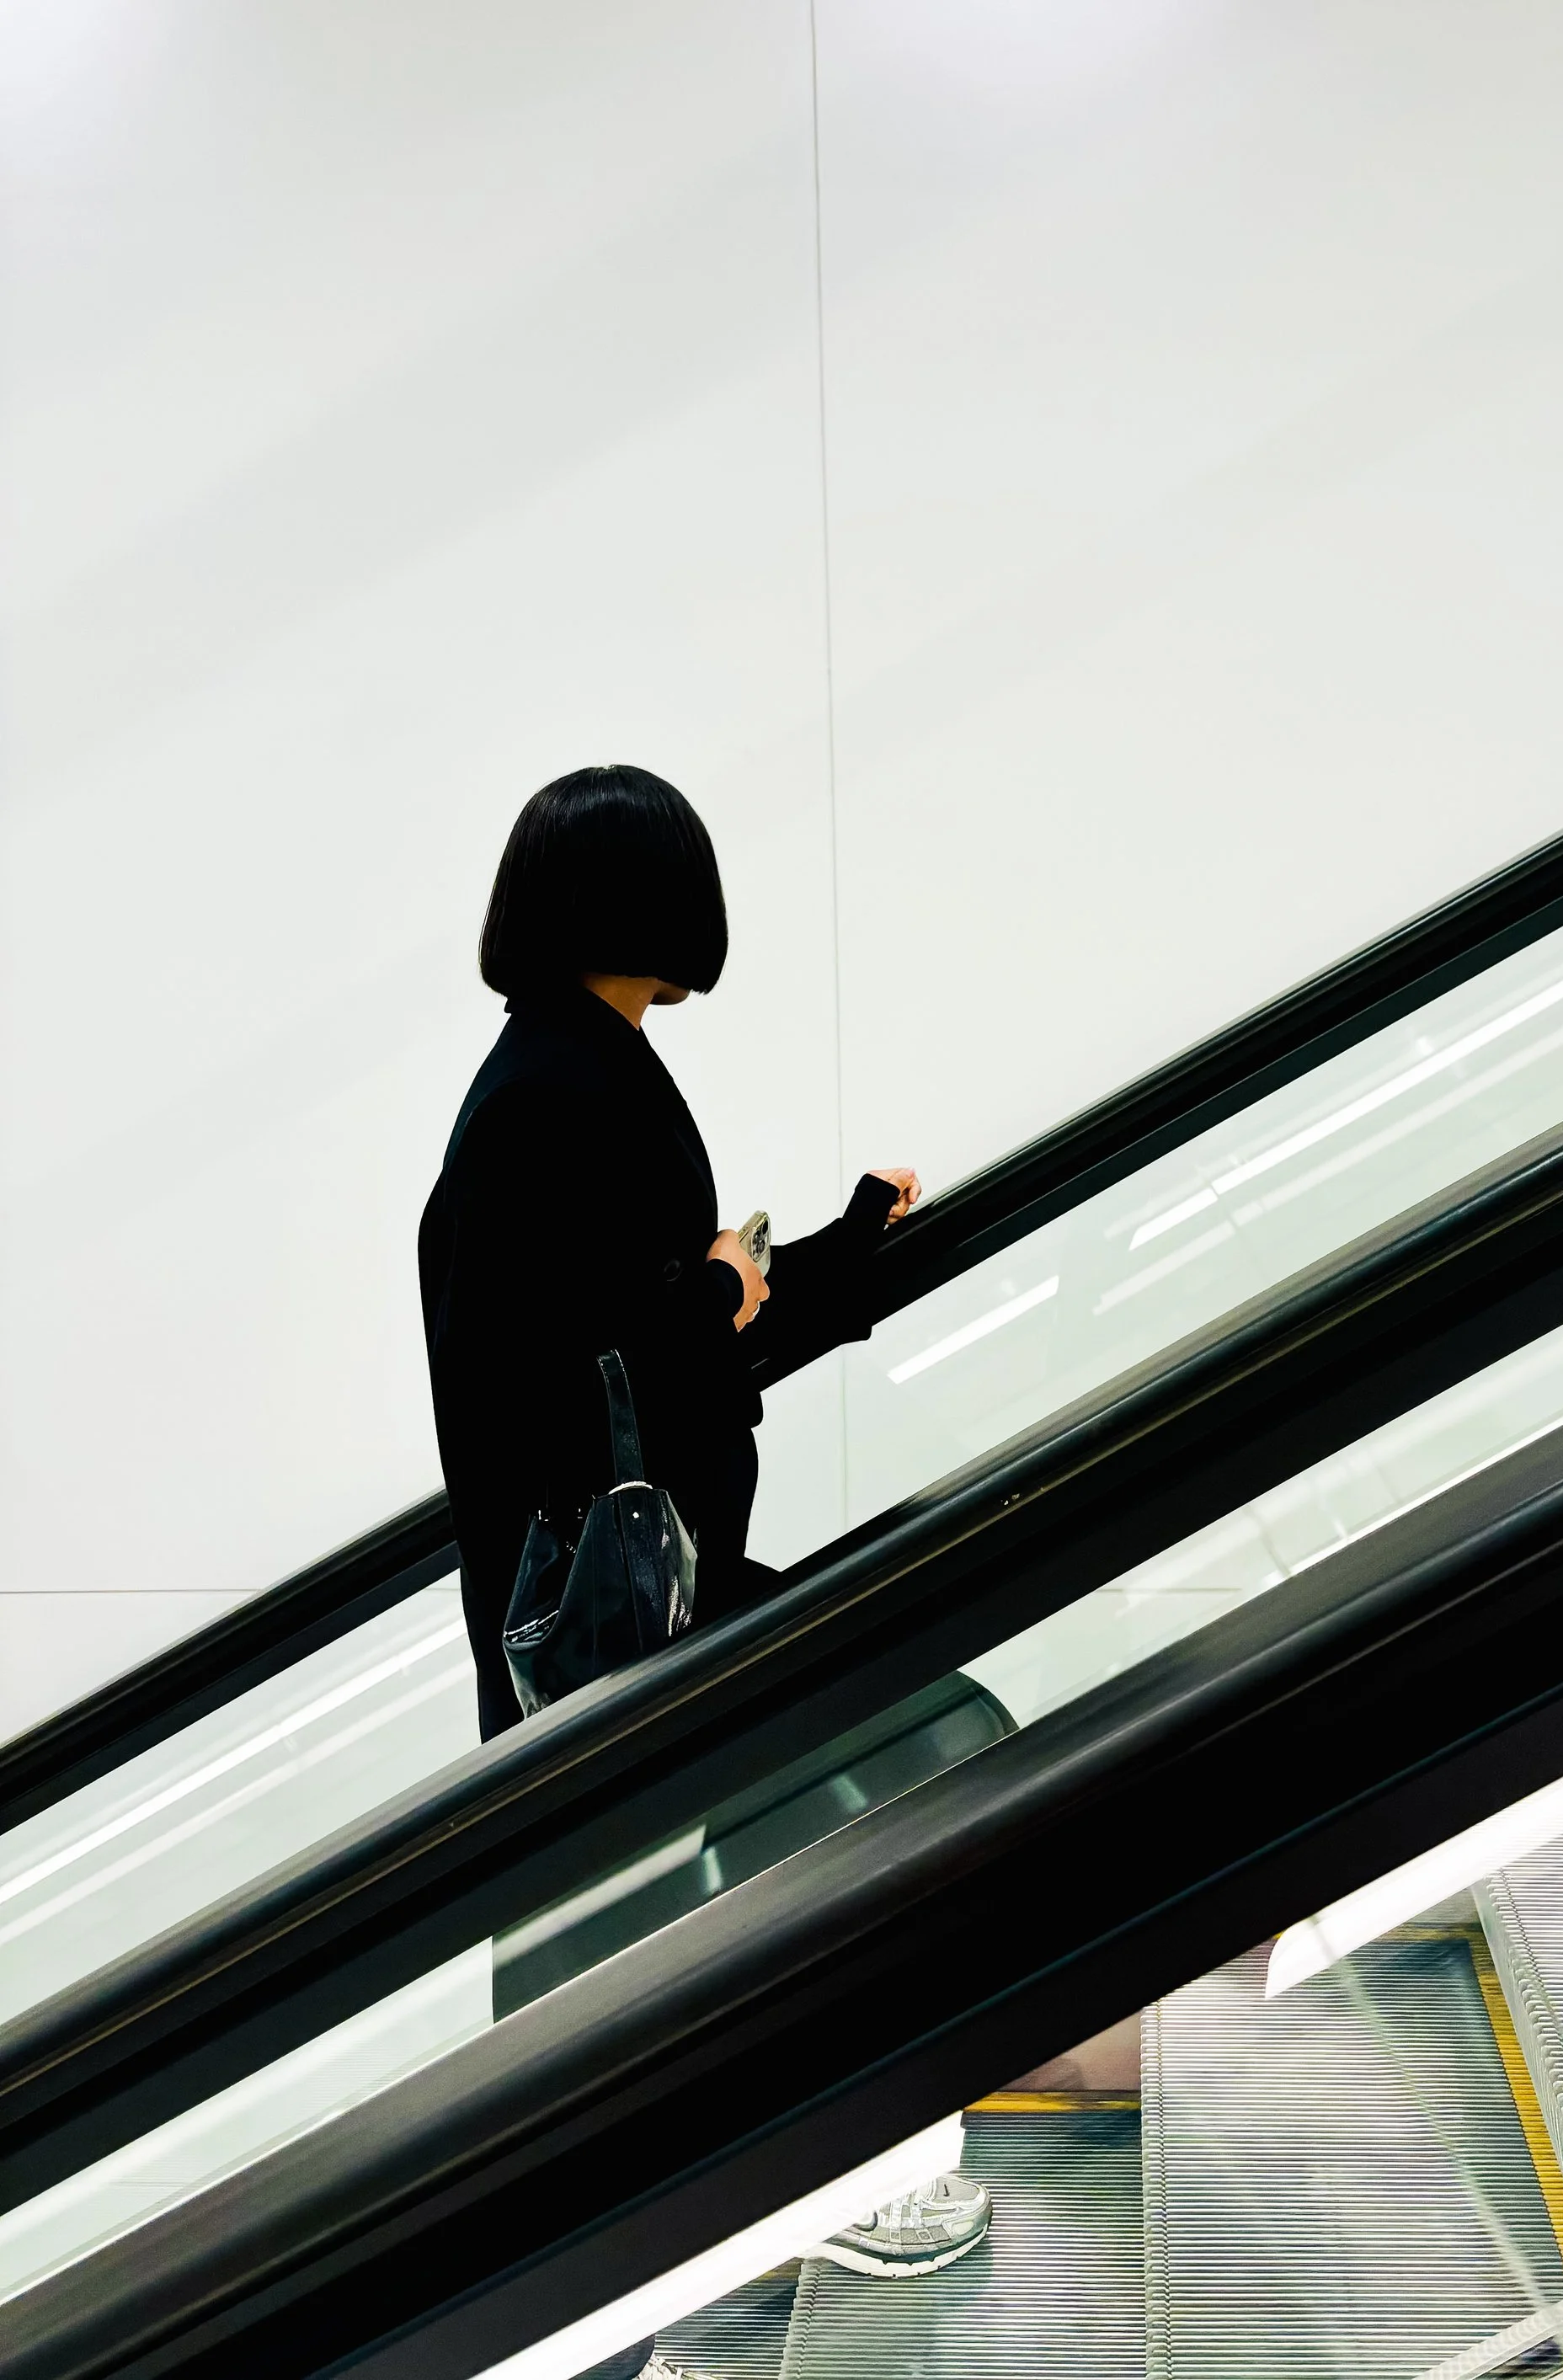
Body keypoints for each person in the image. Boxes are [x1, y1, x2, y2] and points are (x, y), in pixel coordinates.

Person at [419, 767, 989, 2339]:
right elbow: (543, 1365)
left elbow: (661, 1321)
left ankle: (716, 2244)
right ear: (630, 904)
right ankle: (772, 2216)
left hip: (637, 1596)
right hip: (618, 1617)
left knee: (657, 1941)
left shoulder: (580, 1066)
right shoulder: (552, 1090)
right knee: (797, 1834)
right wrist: (712, 1304)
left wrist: (832, 1255)